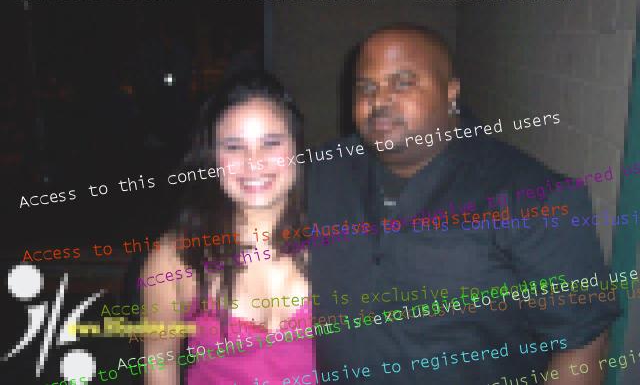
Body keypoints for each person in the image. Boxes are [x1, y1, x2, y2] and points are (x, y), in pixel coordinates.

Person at [307, 24, 619, 384]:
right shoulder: (321, 174)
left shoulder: (534, 197)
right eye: (366, 87)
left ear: (451, 91)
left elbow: (583, 343)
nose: (379, 101)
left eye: (403, 83)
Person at [142, 72, 313, 384]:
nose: (253, 162)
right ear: (212, 158)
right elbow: (160, 362)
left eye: (271, 143)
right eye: (234, 146)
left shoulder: (337, 237)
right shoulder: (174, 257)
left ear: (297, 147)